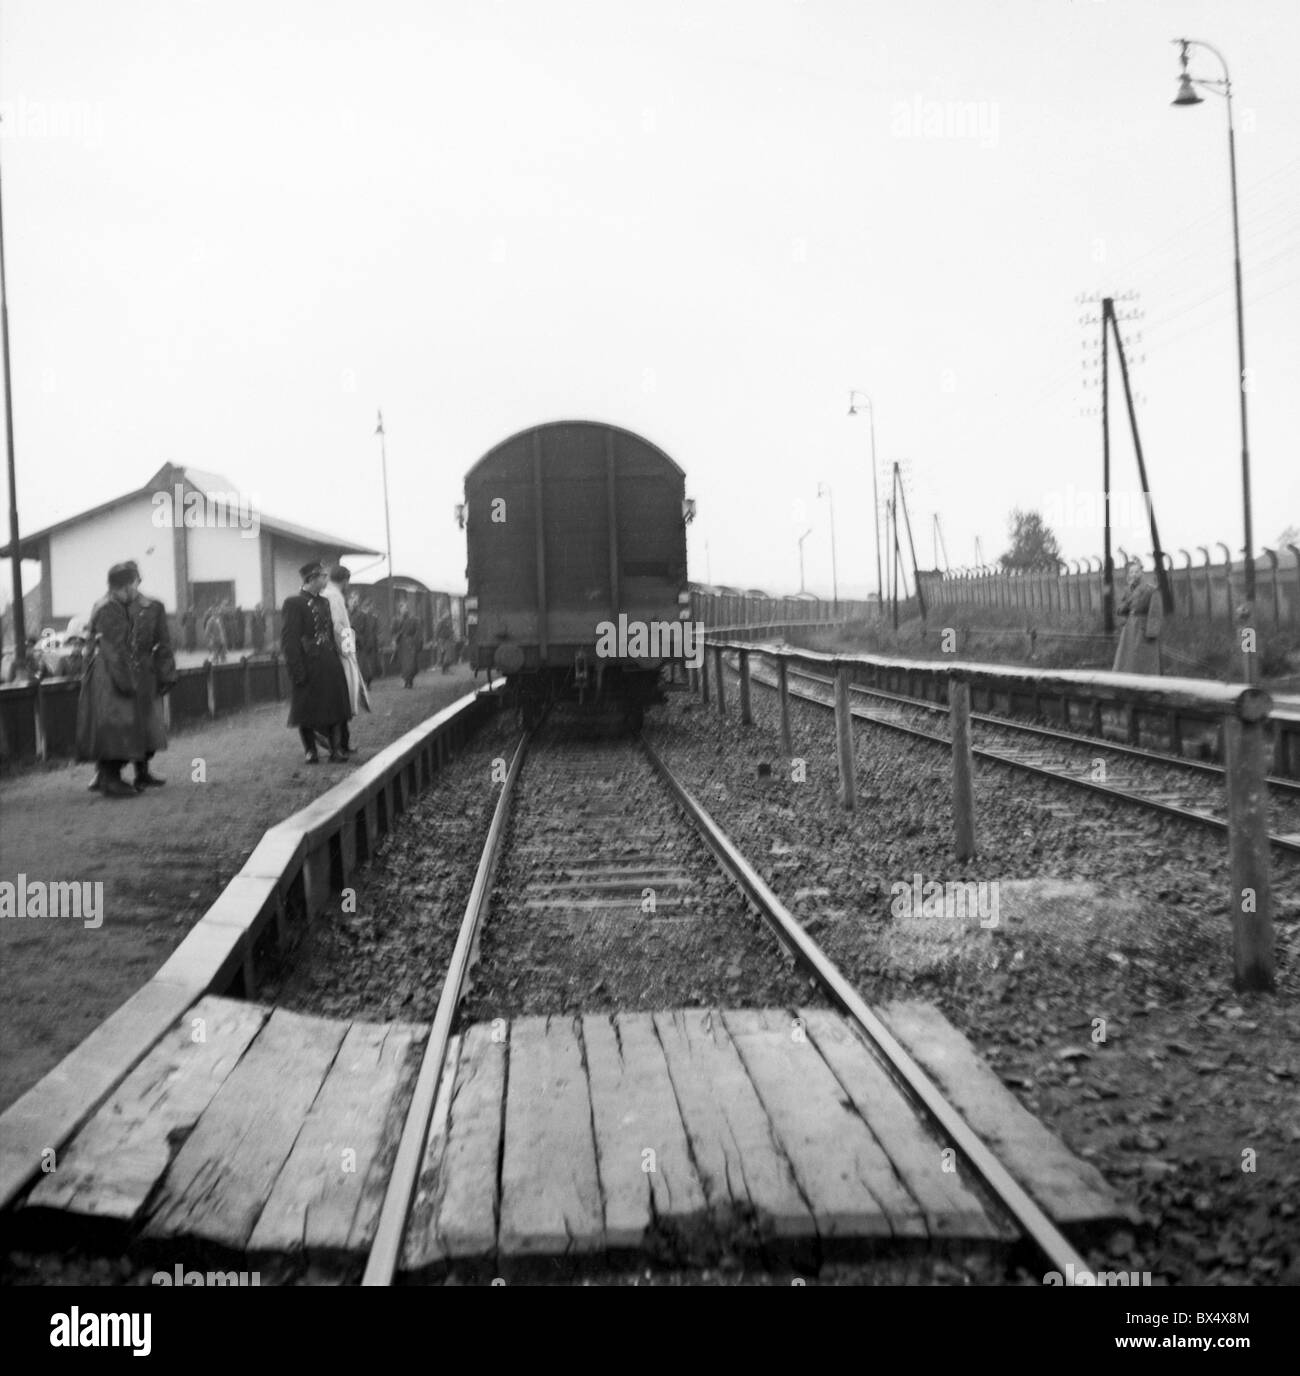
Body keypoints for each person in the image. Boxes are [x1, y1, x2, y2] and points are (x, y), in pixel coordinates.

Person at [76, 562, 168, 797]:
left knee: (114, 724)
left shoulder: (106, 604)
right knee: (118, 724)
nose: (137, 590)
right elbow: (116, 650)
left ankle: (109, 777)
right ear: (126, 585)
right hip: (109, 675)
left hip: (103, 672)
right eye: (135, 584)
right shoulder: (112, 609)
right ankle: (110, 778)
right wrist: (129, 682)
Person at [281, 560, 351, 763]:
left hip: (329, 661)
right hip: (308, 664)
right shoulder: (293, 603)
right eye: (322, 576)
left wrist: (345, 654)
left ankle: (336, 749)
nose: (326, 580)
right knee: (307, 709)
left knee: (336, 706)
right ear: (311, 579)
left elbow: (332, 630)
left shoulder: (326, 601)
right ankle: (310, 750)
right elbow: (289, 640)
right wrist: (296, 670)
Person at [323, 566, 370, 753]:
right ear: (345, 580)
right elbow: (338, 626)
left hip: (331, 652)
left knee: (341, 700)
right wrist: (349, 652)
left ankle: (343, 741)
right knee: (344, 698)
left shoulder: (327, 594)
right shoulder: (335, 597)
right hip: (339, 654)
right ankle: (340, 743)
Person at [1113, 560, 1163, 675]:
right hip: (1129, 628)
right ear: (1128, 575)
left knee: (1144, 657)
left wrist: (1152, 632)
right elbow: (1120, 610)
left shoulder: (1151, 590)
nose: (1134, 574)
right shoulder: (1127, 590)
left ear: (1142, 573)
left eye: (1136, 571)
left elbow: (1155, 612)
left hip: (1143, 628)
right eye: (1131, 572)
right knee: (1128, 656)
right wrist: (1125, 605)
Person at [350, 593, 379, 686]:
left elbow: (368, 630)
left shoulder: (363, 615)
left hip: (362, 643)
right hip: (355, 643)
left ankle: (366, 680)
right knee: (360, 664)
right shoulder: (353, 615)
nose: (354, 603)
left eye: (356, 601)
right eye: (353, 600)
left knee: (363, 664)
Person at [392, 599, 422, 688]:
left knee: (411, 663)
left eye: (405, 607)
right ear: (399, 609)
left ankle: (410, 680)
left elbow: (417, 631)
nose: (404, 609)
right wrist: (394, 641)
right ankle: (406, 680)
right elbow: (393, 631)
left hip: (410, 643)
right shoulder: (396, 619)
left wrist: (416, 641)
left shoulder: (413, 619)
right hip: (401, 644)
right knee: (404, 663)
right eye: (402, 608)